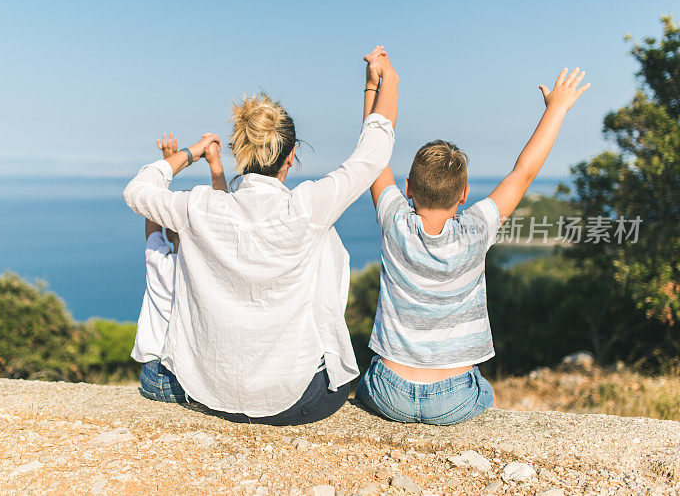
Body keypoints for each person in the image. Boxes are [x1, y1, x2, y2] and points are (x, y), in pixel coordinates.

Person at [122, 46, 398, 425]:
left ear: (241, 154)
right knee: (323, 236)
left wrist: (191, 152)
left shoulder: (200, 207)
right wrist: (386, 80)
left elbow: (137, 192)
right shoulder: (305, 208)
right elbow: (372, 155)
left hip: (209, 391)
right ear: (292, 155)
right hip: (296, 399)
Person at [357, 67, 590, 425]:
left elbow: (373, 153)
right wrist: (555, 109)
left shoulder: (394, 223)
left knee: (365, 382)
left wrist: (378, 84)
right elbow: (522, 173)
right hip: (453, 396)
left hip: (392, 391)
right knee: (483, 390)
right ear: (464, 195)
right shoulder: (476, 230)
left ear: (408, 188)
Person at [131, 134, 226, 402]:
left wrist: (167, 163)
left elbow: (152, 210)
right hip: (196, 374)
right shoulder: (212, 269)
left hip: (156, 377)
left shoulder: (160, 262)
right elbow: (223, 211)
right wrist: (215, 163)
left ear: (170, 233)